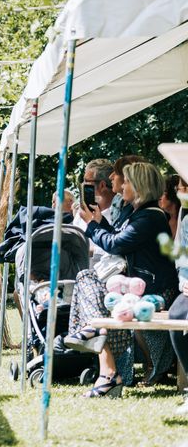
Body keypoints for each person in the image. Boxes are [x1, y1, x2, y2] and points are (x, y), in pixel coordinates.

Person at [64, 162, 179, 396]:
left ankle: (106, 366)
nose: (122, 186)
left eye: (125, 181)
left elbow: (115, 244)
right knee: (87, 279)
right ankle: (105, 362)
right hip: (136, 288)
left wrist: (91, 225)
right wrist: (99, 221)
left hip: (153, 292)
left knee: (87, 282)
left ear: (138, 185)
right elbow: (118, 237)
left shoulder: (150, 217)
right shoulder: (139, 213)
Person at [169, 175, 188, 414]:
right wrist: (185, 282)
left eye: (184, 187)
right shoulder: (186, 219)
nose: (180, 191)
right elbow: (182, 261)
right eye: (179, 187)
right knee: (176, 315)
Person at [109, 155, 147, 226]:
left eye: (116, 172)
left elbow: (117, 236)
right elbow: (114, 233)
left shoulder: (144, 212)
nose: (110, 176)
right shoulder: (118, 200)